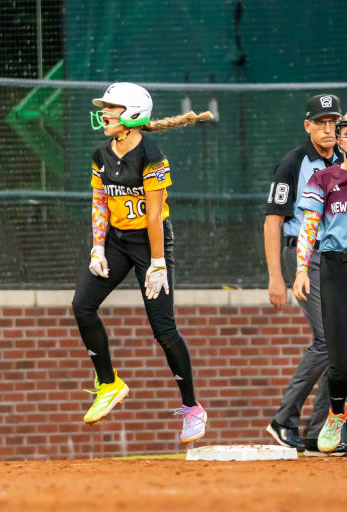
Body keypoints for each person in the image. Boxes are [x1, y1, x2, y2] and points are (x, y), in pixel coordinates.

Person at [72, 82, 212, 442]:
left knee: (163, 329)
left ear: (133, 113)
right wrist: (97, 248)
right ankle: (108, 384)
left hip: (151, 243)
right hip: (116, 240)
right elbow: (99, 203)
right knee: (82, 306)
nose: (104, 113)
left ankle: (192, 408)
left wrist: (158, 262)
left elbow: (153, 217)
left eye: (111, 108)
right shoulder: (100, 154)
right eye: (104, 107)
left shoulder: (152, 155)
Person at [263, 94, 347, 456]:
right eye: (321, 122)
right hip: (302, 255)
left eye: (334, 122)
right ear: (308, 126)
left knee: (338, 348)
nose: (328, 128)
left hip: (335, 258)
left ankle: (318, 435)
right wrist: (275, 277)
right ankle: (283, 420)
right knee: (325, 343)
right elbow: (272, 222)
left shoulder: (344, 162)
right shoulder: (293, 163)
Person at [293, 110, 347, 459]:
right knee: (340, 363)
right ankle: (337, 411)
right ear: (339, 140)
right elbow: (309, 226)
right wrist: (300, 270)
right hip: (335, 271)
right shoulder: (323, 179)